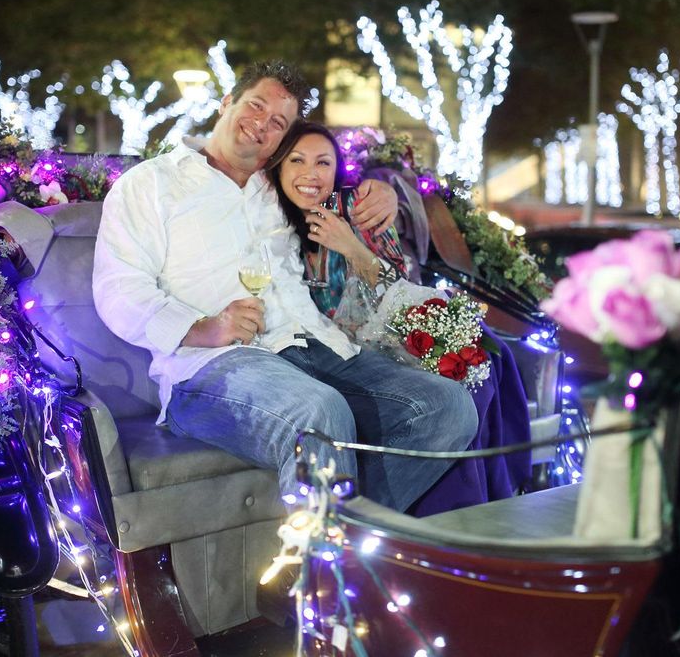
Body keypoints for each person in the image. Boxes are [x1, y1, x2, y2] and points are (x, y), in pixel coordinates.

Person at [93, 61, 477, 513]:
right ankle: (322, 567)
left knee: (448, 408)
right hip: (212, 365)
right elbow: (118, 289)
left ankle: (342, 540)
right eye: (256, 106)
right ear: (226, 103)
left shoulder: (276, 186)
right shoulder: (152, 184)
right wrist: (204, 327)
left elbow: (335, 183)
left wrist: (386, 191)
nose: (262, 124)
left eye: (278, 123)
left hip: (314, 346)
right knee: (319, 413)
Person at [266, 120, 532, 516]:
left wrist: (352, 247)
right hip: (324, 355)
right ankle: (427, 516)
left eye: (323, 162)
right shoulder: (265, 218)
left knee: (479, 363)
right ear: (278, 167)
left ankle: (477, 508)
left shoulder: (359, 209)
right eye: (297, 161)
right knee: (449, 386)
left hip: (381, 334)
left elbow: (395, 285)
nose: (310, 174)